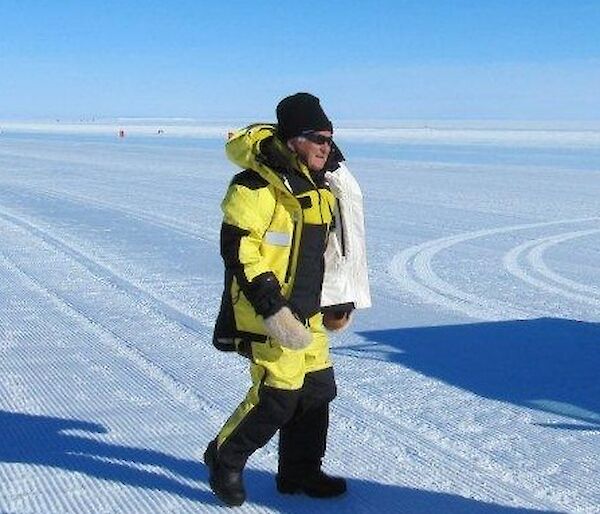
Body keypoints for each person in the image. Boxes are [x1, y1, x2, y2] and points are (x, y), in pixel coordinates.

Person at [204, 92, 370, 507]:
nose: (324, 146)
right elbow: (239, 251)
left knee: (316, 392)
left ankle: (299, 472)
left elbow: (327, 252)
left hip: (309, 314)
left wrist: (338, 298)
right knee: (278, 397)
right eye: (316, 137)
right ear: (293, 139)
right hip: (268, 314)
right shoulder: (254, 185)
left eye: (330, 138)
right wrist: (272, 308)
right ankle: (224, 456)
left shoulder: (319, 189)